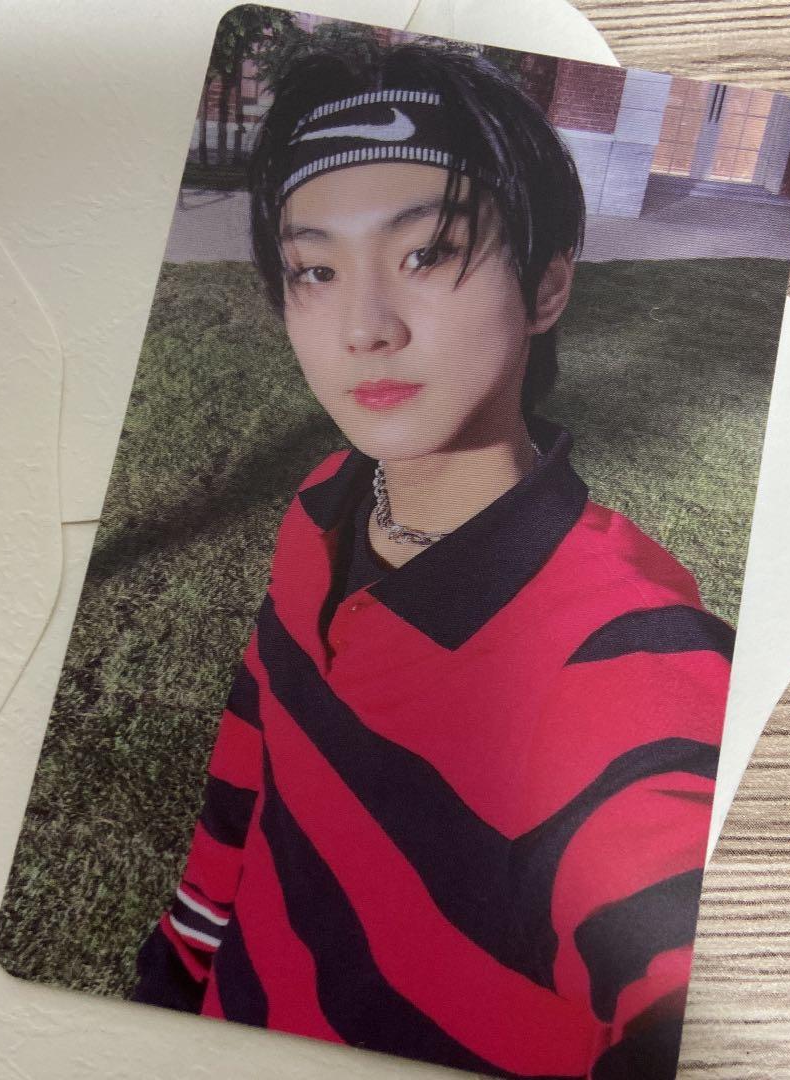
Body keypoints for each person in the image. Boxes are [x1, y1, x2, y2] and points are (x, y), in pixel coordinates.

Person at [132, 39, 734, 1080]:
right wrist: (174, 975)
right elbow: (251, 770)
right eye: (316, 270)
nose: (364, 327)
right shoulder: (325, 506)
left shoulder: (628, 667)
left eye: (427, 252)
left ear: (547, 285)